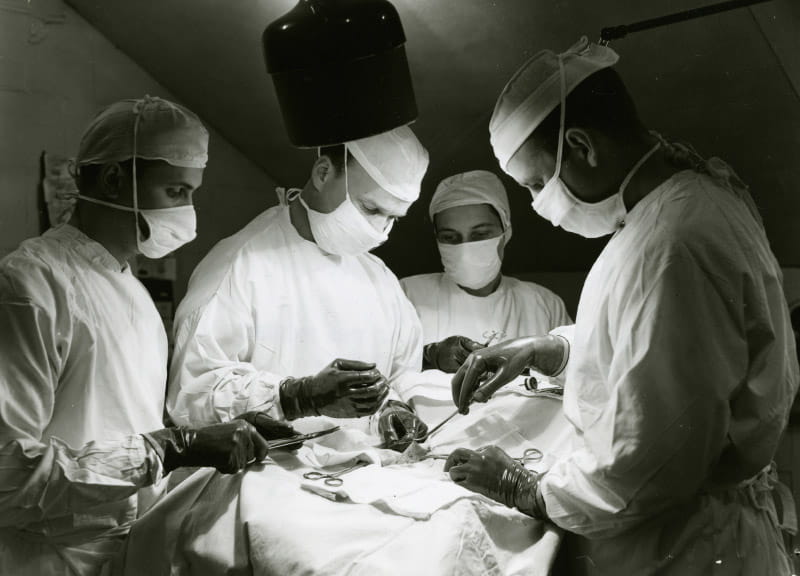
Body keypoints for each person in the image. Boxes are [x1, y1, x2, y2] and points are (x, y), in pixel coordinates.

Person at [444, 38, 799, 574]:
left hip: (687, 549)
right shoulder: (671, 207)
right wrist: (548, 349)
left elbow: (650, 458)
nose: (542, 203)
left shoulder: (676, 244)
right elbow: (642, 342)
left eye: (539, 182)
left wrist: (526, 488)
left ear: (581, 145)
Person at [0, 97, 297, 576]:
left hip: (129, 549)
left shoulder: (131, 289)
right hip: (49, 558)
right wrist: (168, 448)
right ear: (115, 179)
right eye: (176, 190)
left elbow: (123, 427)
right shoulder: (29, 287)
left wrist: (213, 439)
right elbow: (6, 475)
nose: (188, 210)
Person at [168, 126, 431, 452]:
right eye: (371, 209)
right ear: (323, 173)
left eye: (394, 218)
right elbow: (191, 397)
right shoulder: (241, 264)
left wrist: (393, 408)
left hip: (359, 479)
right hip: (264, 482)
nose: (379, 230)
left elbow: (401, 374)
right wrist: (296, 397)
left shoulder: (381, 280)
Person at [401, 170, 571, 373]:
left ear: (506, 232)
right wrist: (428, 356)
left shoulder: (543, 304)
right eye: (450, 237)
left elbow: (577, 373)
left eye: (480, 234)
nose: (465, 249)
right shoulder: (408, 296)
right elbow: (384, 369)